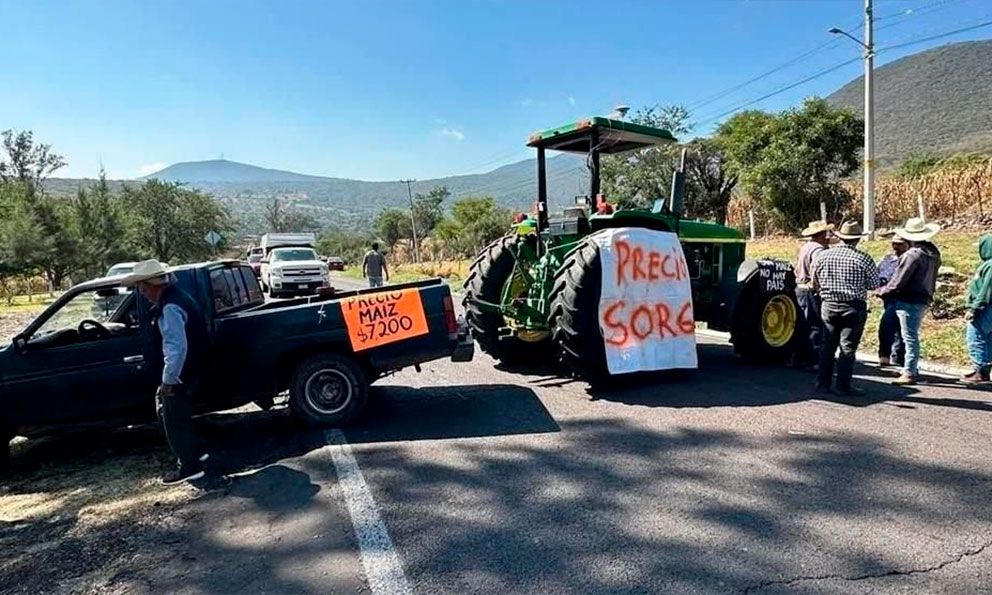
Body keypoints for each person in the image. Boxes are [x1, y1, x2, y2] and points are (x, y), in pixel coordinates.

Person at [122, 260, 209, 485]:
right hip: (191, 369)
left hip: (181, 374)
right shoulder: (178, 297)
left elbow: (176, 347)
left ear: (152, 285)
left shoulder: (170, 307)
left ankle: (190, 467)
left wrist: (168, 380)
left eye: (142, 288)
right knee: (180, 418)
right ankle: (195, 454)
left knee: (174, 421)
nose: (142, 294)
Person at [810, 221, 880, 396]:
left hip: (829, 304)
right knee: (847, 347)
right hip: (853, 306)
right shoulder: (863, 258)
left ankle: (823, 383)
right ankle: (843, 385)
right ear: (857, 239)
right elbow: (874, 284)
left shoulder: (823, 256)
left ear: (840, 237)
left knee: (827, 345)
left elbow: (814, 280)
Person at [876, 217, 942, 386]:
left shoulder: (912, 255)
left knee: (909, 336)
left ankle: (910, 372)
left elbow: (898, 281)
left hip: (908, 298)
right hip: (923, 297)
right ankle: (909, 367)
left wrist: (881, 291)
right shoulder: (933, 252)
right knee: (909, 334)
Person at [794, 220, 834, 368]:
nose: (828, 237)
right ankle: (812, 359)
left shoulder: (806, 247)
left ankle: (797, 358)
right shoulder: (819, 250)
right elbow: (818, 271)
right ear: (821, 234)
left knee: (801, 324)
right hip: (810, 290)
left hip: (800, 288)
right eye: (826, 233)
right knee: (815, 326)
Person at [961, 233, 992, 385]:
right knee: (987, 339)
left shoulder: (990, 266)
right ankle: (983, 369)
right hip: (987, 308)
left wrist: (974, 308)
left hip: (985, 309)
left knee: (976, 337)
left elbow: (986, 290)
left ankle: (981, 370)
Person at [876, 235, 909, 367]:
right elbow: (878, 274)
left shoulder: (908, 259)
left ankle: (897, 357)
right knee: (891, 327)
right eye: (894, 243)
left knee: (893, 326)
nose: (895, 247)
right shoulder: (888, 259)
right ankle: (889, 355)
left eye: (899, 244)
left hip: (901, 297)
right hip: (887, 298)